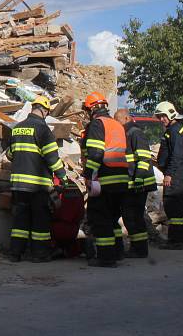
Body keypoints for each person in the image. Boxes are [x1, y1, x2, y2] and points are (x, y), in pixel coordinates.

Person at [7, 95, 66, 263]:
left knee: (20, 219)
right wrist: (62, 177)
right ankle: (39, 254)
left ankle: (15, 253)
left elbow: (10, 154)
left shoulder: (17, 128)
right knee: (40, 220)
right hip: (38, 185)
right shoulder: (43, 130)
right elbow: (52, 158)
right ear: (45, 111)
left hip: (18, 184)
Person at [81, 92, 129, 268]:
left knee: (100, 219)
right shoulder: (117, 125)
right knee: (112, 218)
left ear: (92, 108)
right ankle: (117, 252)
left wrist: (88, 175)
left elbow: (95, 153)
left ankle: (106, 258)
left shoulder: (97, 124)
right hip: (121, 180)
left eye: (87, 109)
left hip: (105, 179)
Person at [115, 109, 156, 258]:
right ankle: (138, 248)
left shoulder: (134, 133)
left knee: (133, 217)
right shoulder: (127, 133)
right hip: (133, 182)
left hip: (139, 183)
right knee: (131, 216)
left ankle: (139, 249)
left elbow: (144, 158)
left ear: (126, 118)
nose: (116, 124)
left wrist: (138, 178)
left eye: (117, 120)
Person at [154, 101, 183, 250]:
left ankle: (176, 241)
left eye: (163, 116)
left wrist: (169, 174)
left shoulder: (175, 131)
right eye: (159, 117)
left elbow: (176, 154)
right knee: (182, 208)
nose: (161, 120)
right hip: (181, 173)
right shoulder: (177, 129)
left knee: (173, 208)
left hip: (175, 174)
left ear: (170, 114)